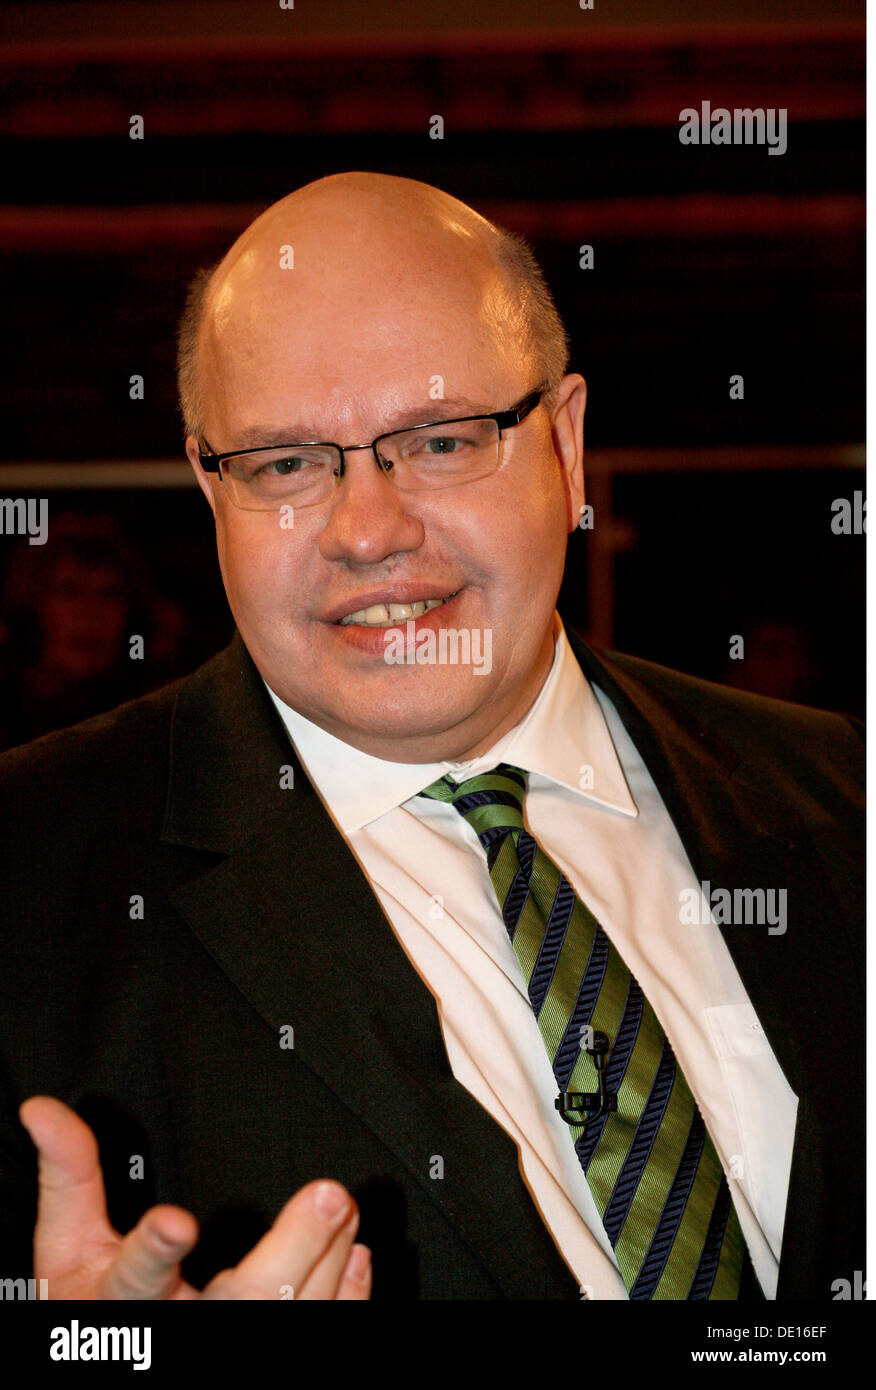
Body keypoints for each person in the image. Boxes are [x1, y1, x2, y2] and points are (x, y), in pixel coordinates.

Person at [0, 172, 863, 1302]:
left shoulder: (844, 792)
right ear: (214, 493)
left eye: (444, 440)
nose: (368, 530)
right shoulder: (29, 882)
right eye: (286, 465)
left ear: (565, 444)